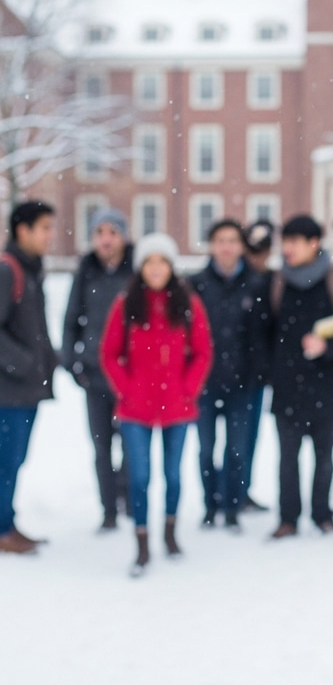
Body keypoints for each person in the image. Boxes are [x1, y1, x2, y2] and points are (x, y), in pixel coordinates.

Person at [100, 233, 212, 577]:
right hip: (137, 408)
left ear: (171, 266)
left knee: (173, 476)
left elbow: (203, 351)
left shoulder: (188, 303)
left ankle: (170, 530)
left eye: (162, 261)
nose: (156, 268)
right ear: (141, 267)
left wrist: (188, 388)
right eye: (150, 262)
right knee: (140, 477)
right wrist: (126, 389)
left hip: (177, 406)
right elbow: (110, 353)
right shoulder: (126, 304)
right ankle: (142, 540)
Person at [269, 215, 333, 538]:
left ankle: (322, 515)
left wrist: (328, 346)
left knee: (325, 457)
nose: (287, 249)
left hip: (330, 386)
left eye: (293, 242)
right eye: (285, 241)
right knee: (287, 459)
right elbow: (262, 334)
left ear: (314, 243)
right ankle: (288, 519)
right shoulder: (276, 281)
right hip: (287, 388)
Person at [190, 219, 269, 531]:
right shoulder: (196, 283)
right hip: (205, 384)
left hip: (242, 383)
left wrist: (257, 372)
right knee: (206, 449)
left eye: (232, 241)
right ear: (211, 245)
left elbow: (262, 334)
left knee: (237, 449)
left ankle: (234, 506)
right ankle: (210, 505)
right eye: (220, 240)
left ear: (241, 246)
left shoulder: (257, 282)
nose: (226, 247)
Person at [61, 207, 133, 532]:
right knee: (101, 446)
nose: (106, 240)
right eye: (99, 233)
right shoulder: (85, 272)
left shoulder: (135, 272)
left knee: (132, 444)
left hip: (130, 377)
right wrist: (71, 362)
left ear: (123, 237)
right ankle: (108, 511)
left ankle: (130, 499)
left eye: (112, 232)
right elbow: (71, 319)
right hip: (94, 374)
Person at [0, 201, 57, 554]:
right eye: (45, 228)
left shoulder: (30, 269)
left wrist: (49, 361)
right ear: (24, 230)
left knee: (14, 460)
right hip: (9, 391)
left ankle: (6, 522)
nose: (51, 235)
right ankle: (2, 530)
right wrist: (23, 363)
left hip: (26, 389)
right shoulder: (9, 270)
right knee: (6, 460)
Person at [241, 218, 276, 512]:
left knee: (249, 437)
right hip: (235, 370)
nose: (259, 255)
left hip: (257, 372)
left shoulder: (272, 280)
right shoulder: (242, 280)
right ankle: (231, 491)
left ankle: (243, 488)